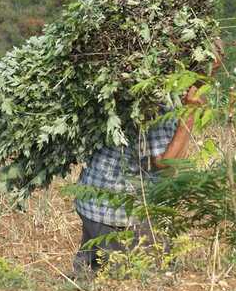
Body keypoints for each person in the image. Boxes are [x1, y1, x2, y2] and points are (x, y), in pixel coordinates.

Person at [72, 39, 224, 277]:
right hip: (117, 209)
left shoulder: (143, 78)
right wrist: (191, 114)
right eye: (211, 72)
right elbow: (164, 164)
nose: (211, 80)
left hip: (94, 196)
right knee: (147, 278)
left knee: (94, 275)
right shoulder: (162, 97)